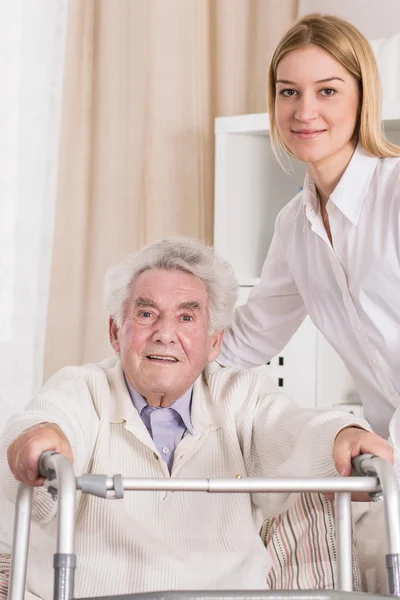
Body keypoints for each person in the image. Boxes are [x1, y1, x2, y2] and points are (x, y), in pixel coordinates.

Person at [0, 237, 392, 599]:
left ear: (214, 342)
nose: (165, 334)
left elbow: (292, 431)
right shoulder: (84, 388)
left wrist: (342, 436)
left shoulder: (240, 395)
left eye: (187, 318)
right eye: (147, 313)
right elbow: (48, 421)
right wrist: (41, 438)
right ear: (116, 332)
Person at [217, 13, 400, 441]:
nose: (304, 111)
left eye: (328, 91)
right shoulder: (295, 225)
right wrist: (151, 356)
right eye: (289, 92)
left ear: (363, 97)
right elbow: (246, 341)